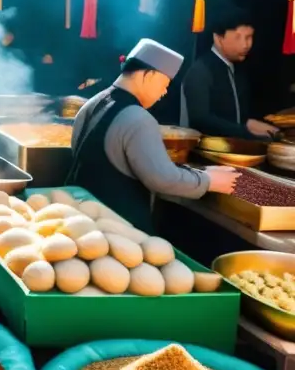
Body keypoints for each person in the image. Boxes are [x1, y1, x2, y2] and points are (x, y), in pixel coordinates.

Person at [69, 39, 239, 232]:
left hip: (81, 218)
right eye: (164, 83)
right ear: (149, 75)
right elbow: (163, 179)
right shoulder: (138, 118)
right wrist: (210, 180)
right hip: (117, 231)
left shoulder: (91, 103)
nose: (164, 92)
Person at [181, 13, 278, 139]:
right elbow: (200, 120)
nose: (245, 45)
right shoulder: (200, 71)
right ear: (218, 38)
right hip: (206, 152)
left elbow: (239, 120)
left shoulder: (238, 70)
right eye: (238, 38)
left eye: (249, 37)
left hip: (235, 149)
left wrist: (272, 131)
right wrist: (246, 134)